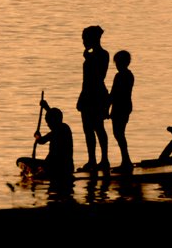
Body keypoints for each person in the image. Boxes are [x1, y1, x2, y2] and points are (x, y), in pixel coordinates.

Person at [76, 25, 110, 172]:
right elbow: (86, 80)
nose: (83, 42)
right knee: (88, 129)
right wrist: (81, 97)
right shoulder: (91, 56)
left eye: (85, 39)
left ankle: (104, 159)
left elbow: (98, 76)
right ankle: (92, 160)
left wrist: (88, 58)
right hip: (87, 94)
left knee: (98, 128)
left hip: (97, 95)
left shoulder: (103, 55)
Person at [28, 100, 74, 180]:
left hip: (57, 166)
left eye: (49, 123)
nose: (48, 125)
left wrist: (37, 136)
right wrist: (46, 107)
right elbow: (53, 116)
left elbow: (41, 141)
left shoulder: (56, 132)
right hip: (68, 165)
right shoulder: (65, 128)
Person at [108, 50, 135, 173]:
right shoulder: (129, 75)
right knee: (120, 134)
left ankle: (126, 161)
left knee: (119, 134)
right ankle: (126, 160)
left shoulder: (120, 76)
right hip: (125, 106)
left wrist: (106, 107)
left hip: (120, 107)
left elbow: (114, 94)